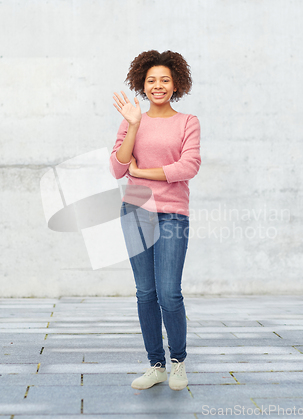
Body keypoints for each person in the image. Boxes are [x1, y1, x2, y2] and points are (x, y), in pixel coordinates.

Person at [109, 50, 201, 391]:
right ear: (142, 85)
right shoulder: (131, 119)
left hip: (173, 213)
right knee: (145, 292)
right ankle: (156, 365)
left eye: (164, 80)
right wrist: (133, 125)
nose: (158, 86)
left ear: (175, 83)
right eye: (151, 81)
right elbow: (118, 167)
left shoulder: (187, 122)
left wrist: (143, 171)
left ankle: (178, 363)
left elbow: (188, 167)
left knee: (169, 293)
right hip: (135, 211)